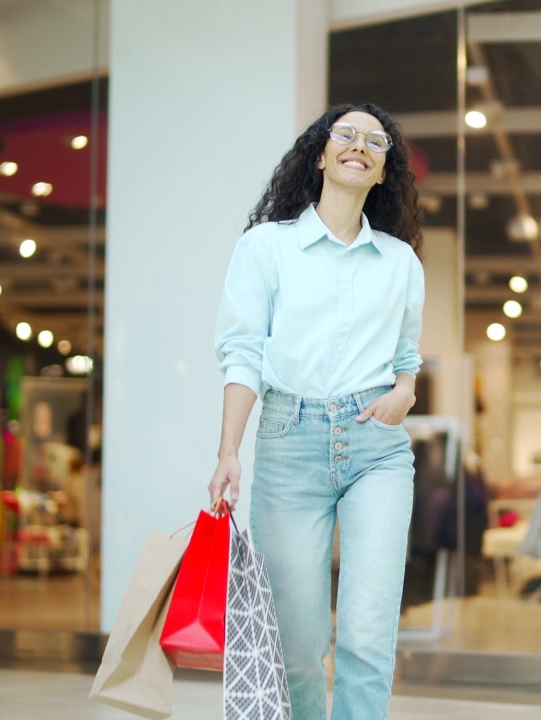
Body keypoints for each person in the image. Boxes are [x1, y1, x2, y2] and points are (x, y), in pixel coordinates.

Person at [210, 103, 425, 719]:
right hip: (289, 440)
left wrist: (406, 387)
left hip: (375, 449)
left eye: (376, 141)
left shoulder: (401, 262)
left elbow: (406, 349)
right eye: (347, 135)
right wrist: (229, 449)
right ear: (322, 154)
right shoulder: (267, 248)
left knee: (366, 634)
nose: (360, 145)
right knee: (298, 649)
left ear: (384, 170)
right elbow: (243, 352)